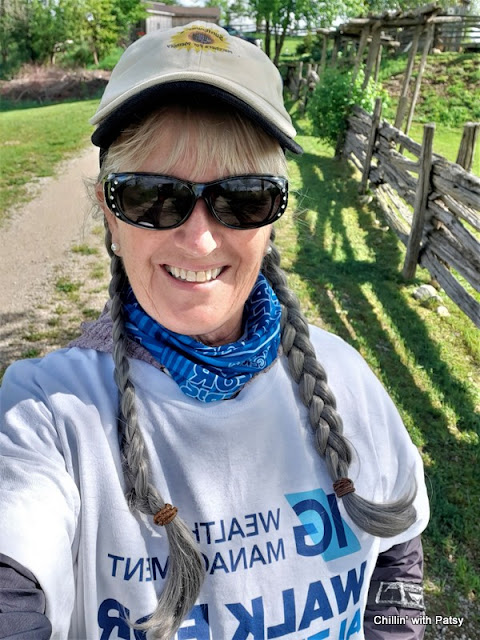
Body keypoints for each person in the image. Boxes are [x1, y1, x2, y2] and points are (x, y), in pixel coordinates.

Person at [0, 21, 429, 640]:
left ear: (272, 220)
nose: (199, 239)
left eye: (244, 198)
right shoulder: (47, 413)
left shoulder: (347, 380)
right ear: (109, 217)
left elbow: (397, 557)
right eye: (150, 196)